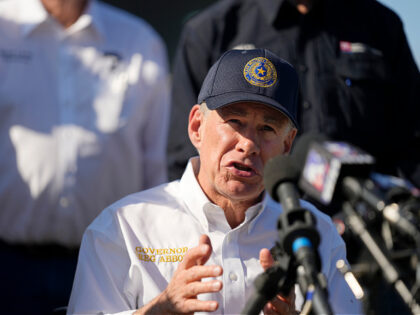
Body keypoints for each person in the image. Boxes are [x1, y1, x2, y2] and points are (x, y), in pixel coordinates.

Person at [68, 49, 361, 315]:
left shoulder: (316, 235)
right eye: (235, 122)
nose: (249, 144)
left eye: (267, 128)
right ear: (197, 126)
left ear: (287, 145)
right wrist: (159, 310)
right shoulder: (123, 226)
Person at [0, 0, 170, 313]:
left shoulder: (139, 40)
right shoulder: (3, 26)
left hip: (112, 265)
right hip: (7, 265)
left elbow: (156, 166)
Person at [167, 0, 420, 189]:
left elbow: (413, 145)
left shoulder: (381, 27)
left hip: (366, 241)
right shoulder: (211, 31)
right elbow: (185, 158)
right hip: (256, 238)